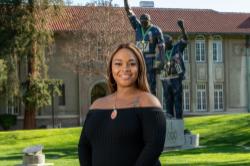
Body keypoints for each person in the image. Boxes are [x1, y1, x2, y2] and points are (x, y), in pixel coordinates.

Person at [78, 43, 166, 166]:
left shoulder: (148, 102)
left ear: (140, 67)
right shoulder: (97, 105)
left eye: (132, 64)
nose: (125, 69)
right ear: (111, 68)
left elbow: (154, 147)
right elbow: (84, 146)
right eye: (118, 64)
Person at [124, 0, 165, 95]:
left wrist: (161, 61)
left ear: (149, 21)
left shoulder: (156, 30)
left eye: (145, 22)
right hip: (138, 58)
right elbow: (128, 10)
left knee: (151, 84)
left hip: (150, 59)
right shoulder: (138, 27)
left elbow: (162, 47)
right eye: (141, 21)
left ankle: (151, 105)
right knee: (137, 81)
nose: (142, 23)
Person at [160, 19, 188, 119]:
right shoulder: (161, 53)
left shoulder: (177, 48)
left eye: (165, 43)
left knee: (178, 102)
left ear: (170, 42)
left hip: (176, 79)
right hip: (166, 80)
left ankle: (179, 124)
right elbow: (158, 66)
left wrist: (182, 28)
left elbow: (185, 39)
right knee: (168, 102)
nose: (163, 45)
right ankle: (170, 124)